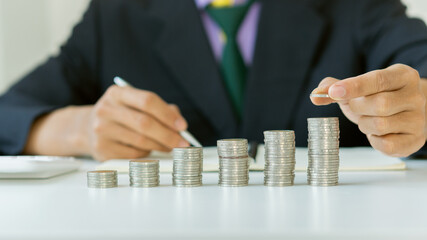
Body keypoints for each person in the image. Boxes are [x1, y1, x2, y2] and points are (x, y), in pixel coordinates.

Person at [0, 0, 427, 161]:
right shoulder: (113, 17)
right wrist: (75, 129)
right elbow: (7, 114)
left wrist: (420, 107)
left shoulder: (356, 6)